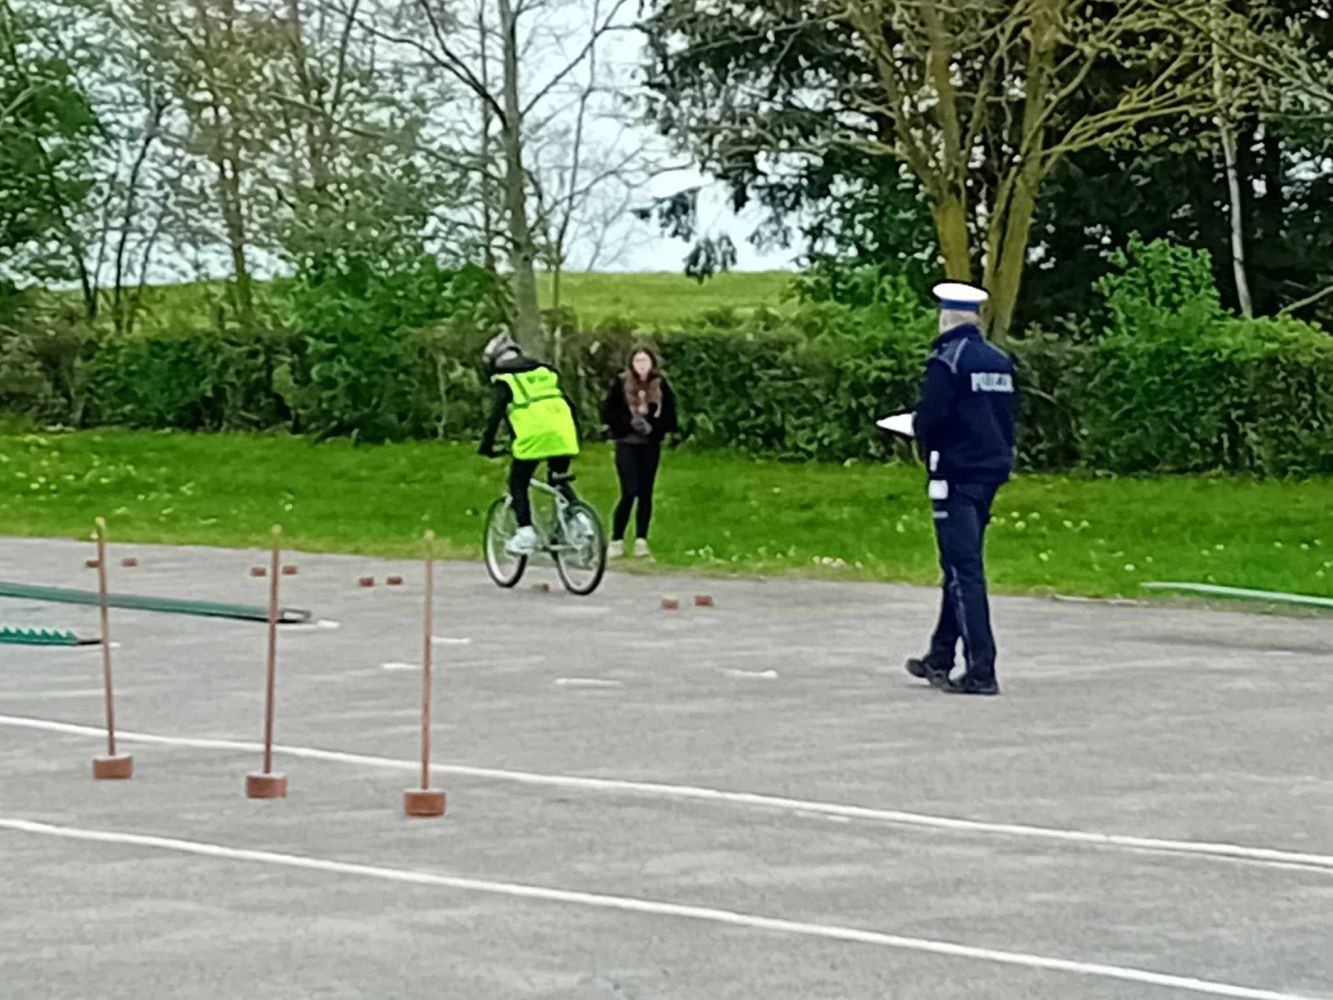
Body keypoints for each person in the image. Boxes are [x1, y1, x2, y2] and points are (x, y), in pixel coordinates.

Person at [904, 282, 1017, 696]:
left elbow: (931, 419)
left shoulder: (946, 362)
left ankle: (981, 669)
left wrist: (920, 437)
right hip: (991, 471)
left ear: (945, 318)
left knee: (964, 571)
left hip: (954, 474)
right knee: (958, 565)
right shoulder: (999, 362)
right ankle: (939, 655)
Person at [478, 332, 581, 555]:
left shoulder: (505, 381)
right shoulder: (545, 373)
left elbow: (494, 416)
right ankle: (580, 520)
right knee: (558, 480)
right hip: (564, 432)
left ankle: (526, 533)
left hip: (533, 437)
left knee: (518, 482)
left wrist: (486, 445)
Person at [600, 347, 678, 559]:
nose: (642, 365)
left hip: (650, 445)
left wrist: (654, 427)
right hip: (626, 442)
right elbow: (608, 411)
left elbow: (671, 416)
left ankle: (641, 540)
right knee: (629, 491)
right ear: (631, 364)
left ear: (652, 363)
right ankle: (617, 539)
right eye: (638, 361)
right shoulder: (621, 383)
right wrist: (627, 424)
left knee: (646, 492)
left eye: (645, 361)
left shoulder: (661, 385)